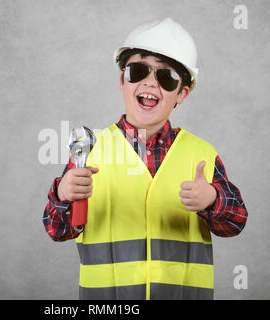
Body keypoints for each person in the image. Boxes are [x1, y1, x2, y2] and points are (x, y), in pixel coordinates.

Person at [43, 17, 248, 300]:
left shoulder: (202, 154)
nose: (150, 82)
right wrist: (63, 194)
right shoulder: (89, 150)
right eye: (138, 71)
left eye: (167, 77)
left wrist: (213, 199)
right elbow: (57, 229)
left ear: (182, 93)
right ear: (122, 81)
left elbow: (236, 222)